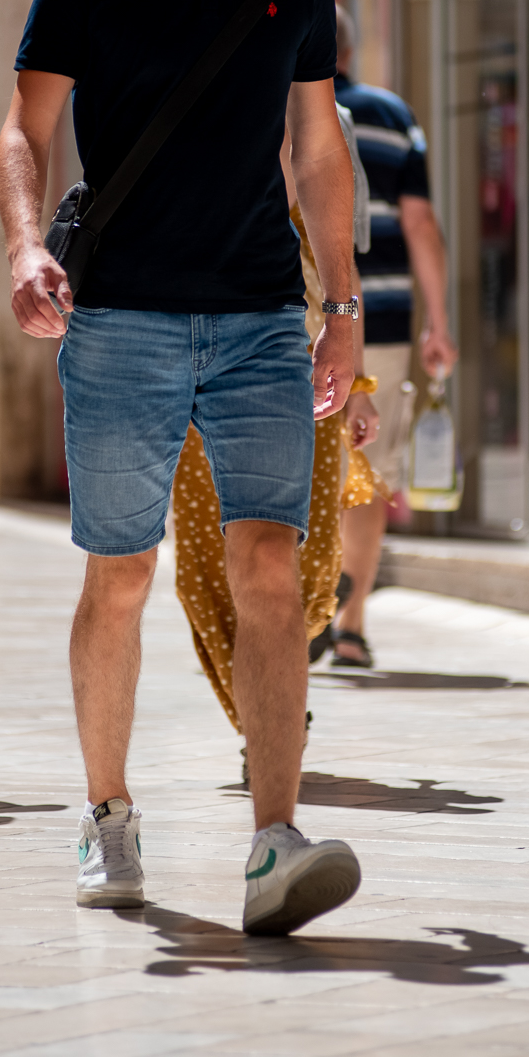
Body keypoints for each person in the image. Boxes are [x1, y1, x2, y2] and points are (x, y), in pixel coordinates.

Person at [0, 0, 363, 936]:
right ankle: (107, 813)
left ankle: (273, 840)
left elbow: (318, 148)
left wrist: (343, 307)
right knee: (122, 573)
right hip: (121, 322)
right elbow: (22, 129)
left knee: (271, 571)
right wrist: (23, 245)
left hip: (259, 318)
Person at [172, 123, 379, 768]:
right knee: (206, 569)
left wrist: (361, 385)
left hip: (308, 385)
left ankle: (276, 708)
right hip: (194, 381)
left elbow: (344, 270)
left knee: (303, 563)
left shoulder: (329, 128)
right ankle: (260, 724)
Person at [331, 7, 458, 668]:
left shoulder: (280, 106)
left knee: (296, 469)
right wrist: (437, 322)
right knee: (367, 475)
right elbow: (420, 224)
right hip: (378, 322)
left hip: (294, 320)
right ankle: (350, 625)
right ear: (351, 51)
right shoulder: (391, 116)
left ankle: (297, 611)